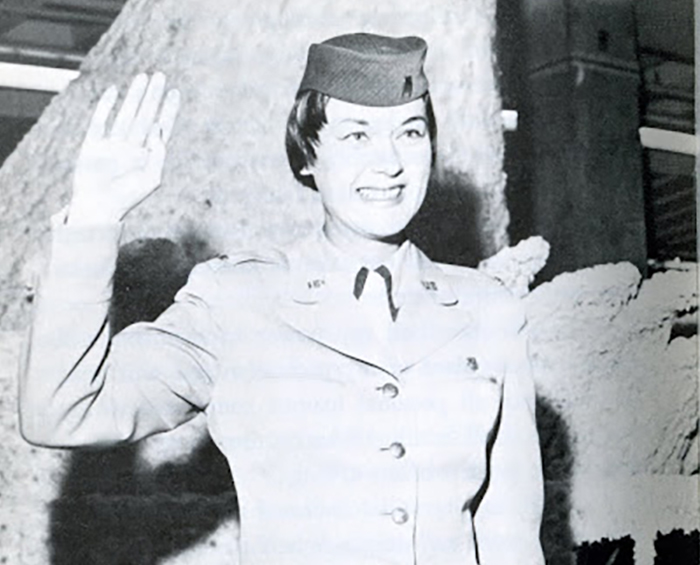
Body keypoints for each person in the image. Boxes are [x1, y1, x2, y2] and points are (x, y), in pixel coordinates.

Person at [20, 33, 544, 565]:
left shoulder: (489, 313)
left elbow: (511, 538)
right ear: (308, 153)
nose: (389, 162)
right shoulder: (236, 303)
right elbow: (63, 412)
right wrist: (92, 222)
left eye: (410, 132)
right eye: (357, 135)